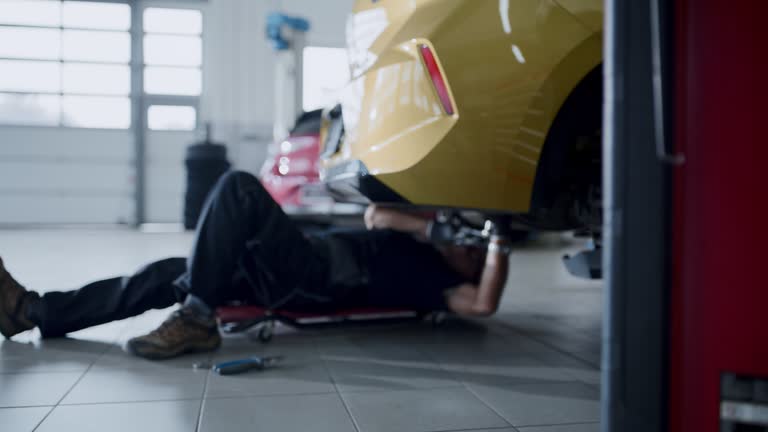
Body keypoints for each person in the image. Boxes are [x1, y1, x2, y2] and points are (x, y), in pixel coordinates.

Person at [0, 171, 510, 360]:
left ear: (471, 267)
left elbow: (483, 304)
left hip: (309, 279)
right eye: (470, 242)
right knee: (162, 275)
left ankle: (198, 317)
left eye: (475, 252)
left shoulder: (439, 285)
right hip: (290, 261)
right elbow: (377, 213)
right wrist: (432, 229)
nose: (467, 248)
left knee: (239, 187)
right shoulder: (421, 242)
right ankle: (34, 313)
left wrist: (499, 246)